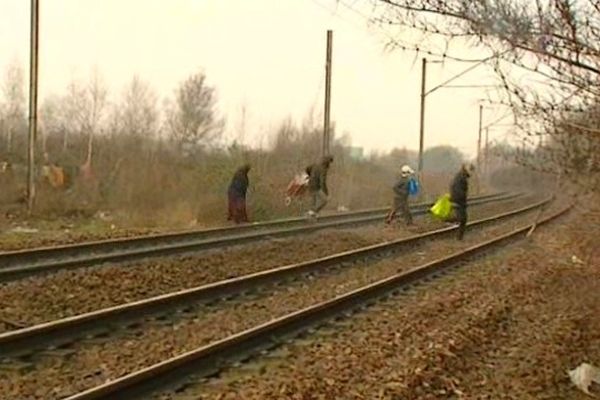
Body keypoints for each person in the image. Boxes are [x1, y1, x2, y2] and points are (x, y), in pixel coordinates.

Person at [449, 164, 472, 240]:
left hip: (457, 199)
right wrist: (461, 198)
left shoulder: (460, 176)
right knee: (463, 219)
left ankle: (459, 237)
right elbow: (458, 189)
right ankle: (449, 219)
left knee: (462, 218)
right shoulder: (461, 178)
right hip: (459, 200)